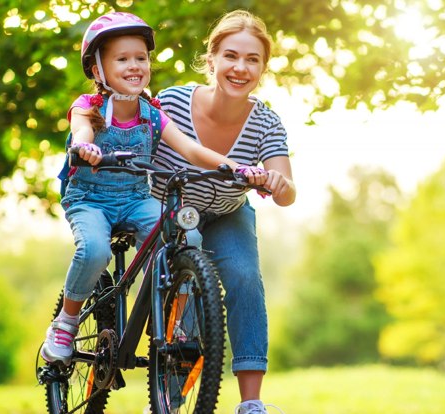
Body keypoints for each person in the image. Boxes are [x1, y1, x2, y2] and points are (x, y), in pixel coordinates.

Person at [40, 11, 267, 366]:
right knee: (95, 251)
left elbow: (192, 149)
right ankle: (66, 322)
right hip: (91, 200)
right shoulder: (88, 108)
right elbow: (82, 131)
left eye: (141, 58)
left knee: (185, 238)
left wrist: (237, 168)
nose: (134, 66)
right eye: (122, 59)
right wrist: (85, 148)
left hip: (134, 199)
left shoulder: (153, 113)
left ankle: (170, 316)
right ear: (98, 70)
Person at [152, 10, 296, 414]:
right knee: (183, 298)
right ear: (211, 59)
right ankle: (169, 396)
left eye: (252, 59)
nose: (240, 67)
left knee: (246, 278)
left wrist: (279, 184)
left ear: (263, 68)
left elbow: (286, 188)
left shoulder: (266, 122)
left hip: (227, 212)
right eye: (231, 56)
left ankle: (251, 403)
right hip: (170, 209)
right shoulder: (173, 102)